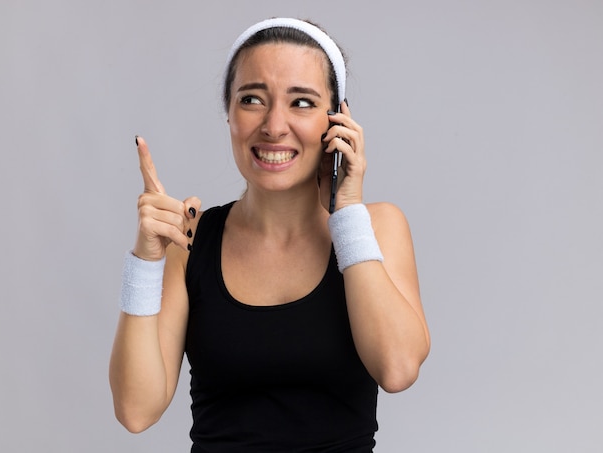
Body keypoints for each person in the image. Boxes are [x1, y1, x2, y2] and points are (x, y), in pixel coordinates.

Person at [109, 17, 430, 452]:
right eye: (252, 99)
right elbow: (135, 410)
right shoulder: (191, 239)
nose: (274, 125)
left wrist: (347, 212)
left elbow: (397, 369)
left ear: (337, 119)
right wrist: (146, 260)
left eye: (301, 102)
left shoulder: (377, 225)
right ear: (229, 113)